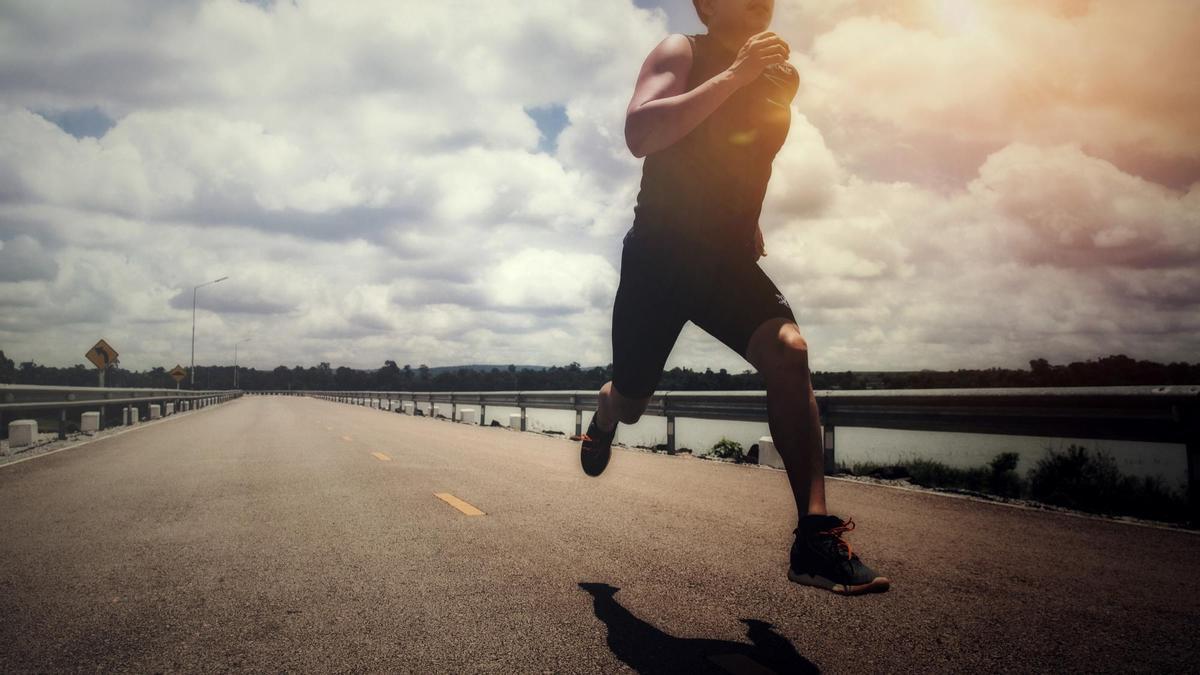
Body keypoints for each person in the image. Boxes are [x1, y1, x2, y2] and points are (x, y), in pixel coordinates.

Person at [579, 0, 890, 595]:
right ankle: (607, 407)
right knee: (636, 400)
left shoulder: (783, 75)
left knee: (789, 352)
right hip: (660, 258)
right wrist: (737, 73)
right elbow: (641, 133)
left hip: (723, 260)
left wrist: (748, 218)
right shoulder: (683, 51)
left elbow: (750, 153)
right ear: (707, 4)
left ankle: (814, 541)